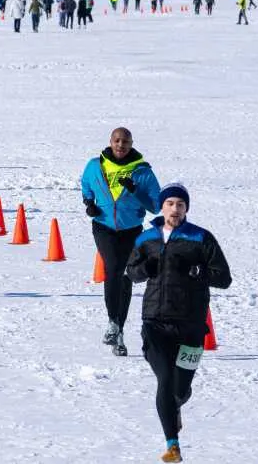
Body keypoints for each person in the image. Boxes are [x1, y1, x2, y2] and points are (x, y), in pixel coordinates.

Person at [126, 184, 232, 463]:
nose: (175, 209)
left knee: (179, 389)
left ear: (186, 209)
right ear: (162, 207)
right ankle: (172, 444)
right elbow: (132, 272)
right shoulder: (146, 238)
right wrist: (143, 269)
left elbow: (223, 277)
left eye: (180, 205)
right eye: (170, 203)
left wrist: (198, 271)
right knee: (164, 379)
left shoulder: (200, 237)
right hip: (155, 322)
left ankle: (178, 403)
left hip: (191, 326)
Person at [80, 127, 161, 357]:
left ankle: (119, 331)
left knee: (126, 276)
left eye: (125, 142)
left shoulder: (142, 172)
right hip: (103, 227)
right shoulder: (95, 165)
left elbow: (155, 206)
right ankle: (112, 322)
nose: (120, 145)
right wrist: (89, 202)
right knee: (114, 269)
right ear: (110, 141)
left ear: (131, 144)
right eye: (117, 140)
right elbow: (86, 184)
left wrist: (135, 190)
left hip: (131, 230)